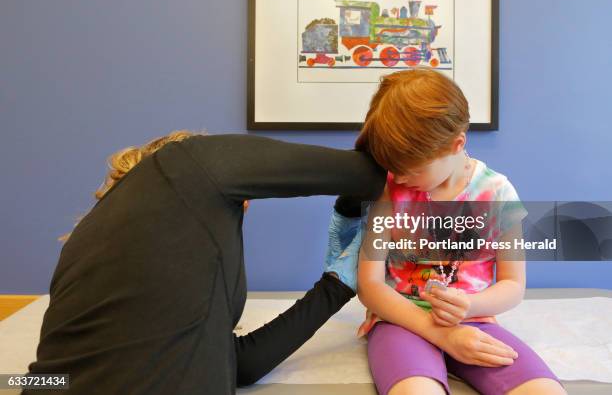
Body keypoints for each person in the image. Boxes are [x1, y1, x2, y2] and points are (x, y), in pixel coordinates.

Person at [24, 132, 385, 394]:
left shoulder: (88, 241)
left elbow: (239, 364)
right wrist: (352, 213)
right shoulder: (189, 164)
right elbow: (365, 174)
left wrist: (336, 285)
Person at [353, 69, 566, 395]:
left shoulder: (498, 194)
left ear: (457, 144)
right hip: (400, 320)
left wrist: (469, 307)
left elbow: (512, 285)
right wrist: (441, 335)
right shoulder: (390, 190)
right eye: (394, 166)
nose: (400, 176)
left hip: (474, 319)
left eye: (413, 169)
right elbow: (369, 286)